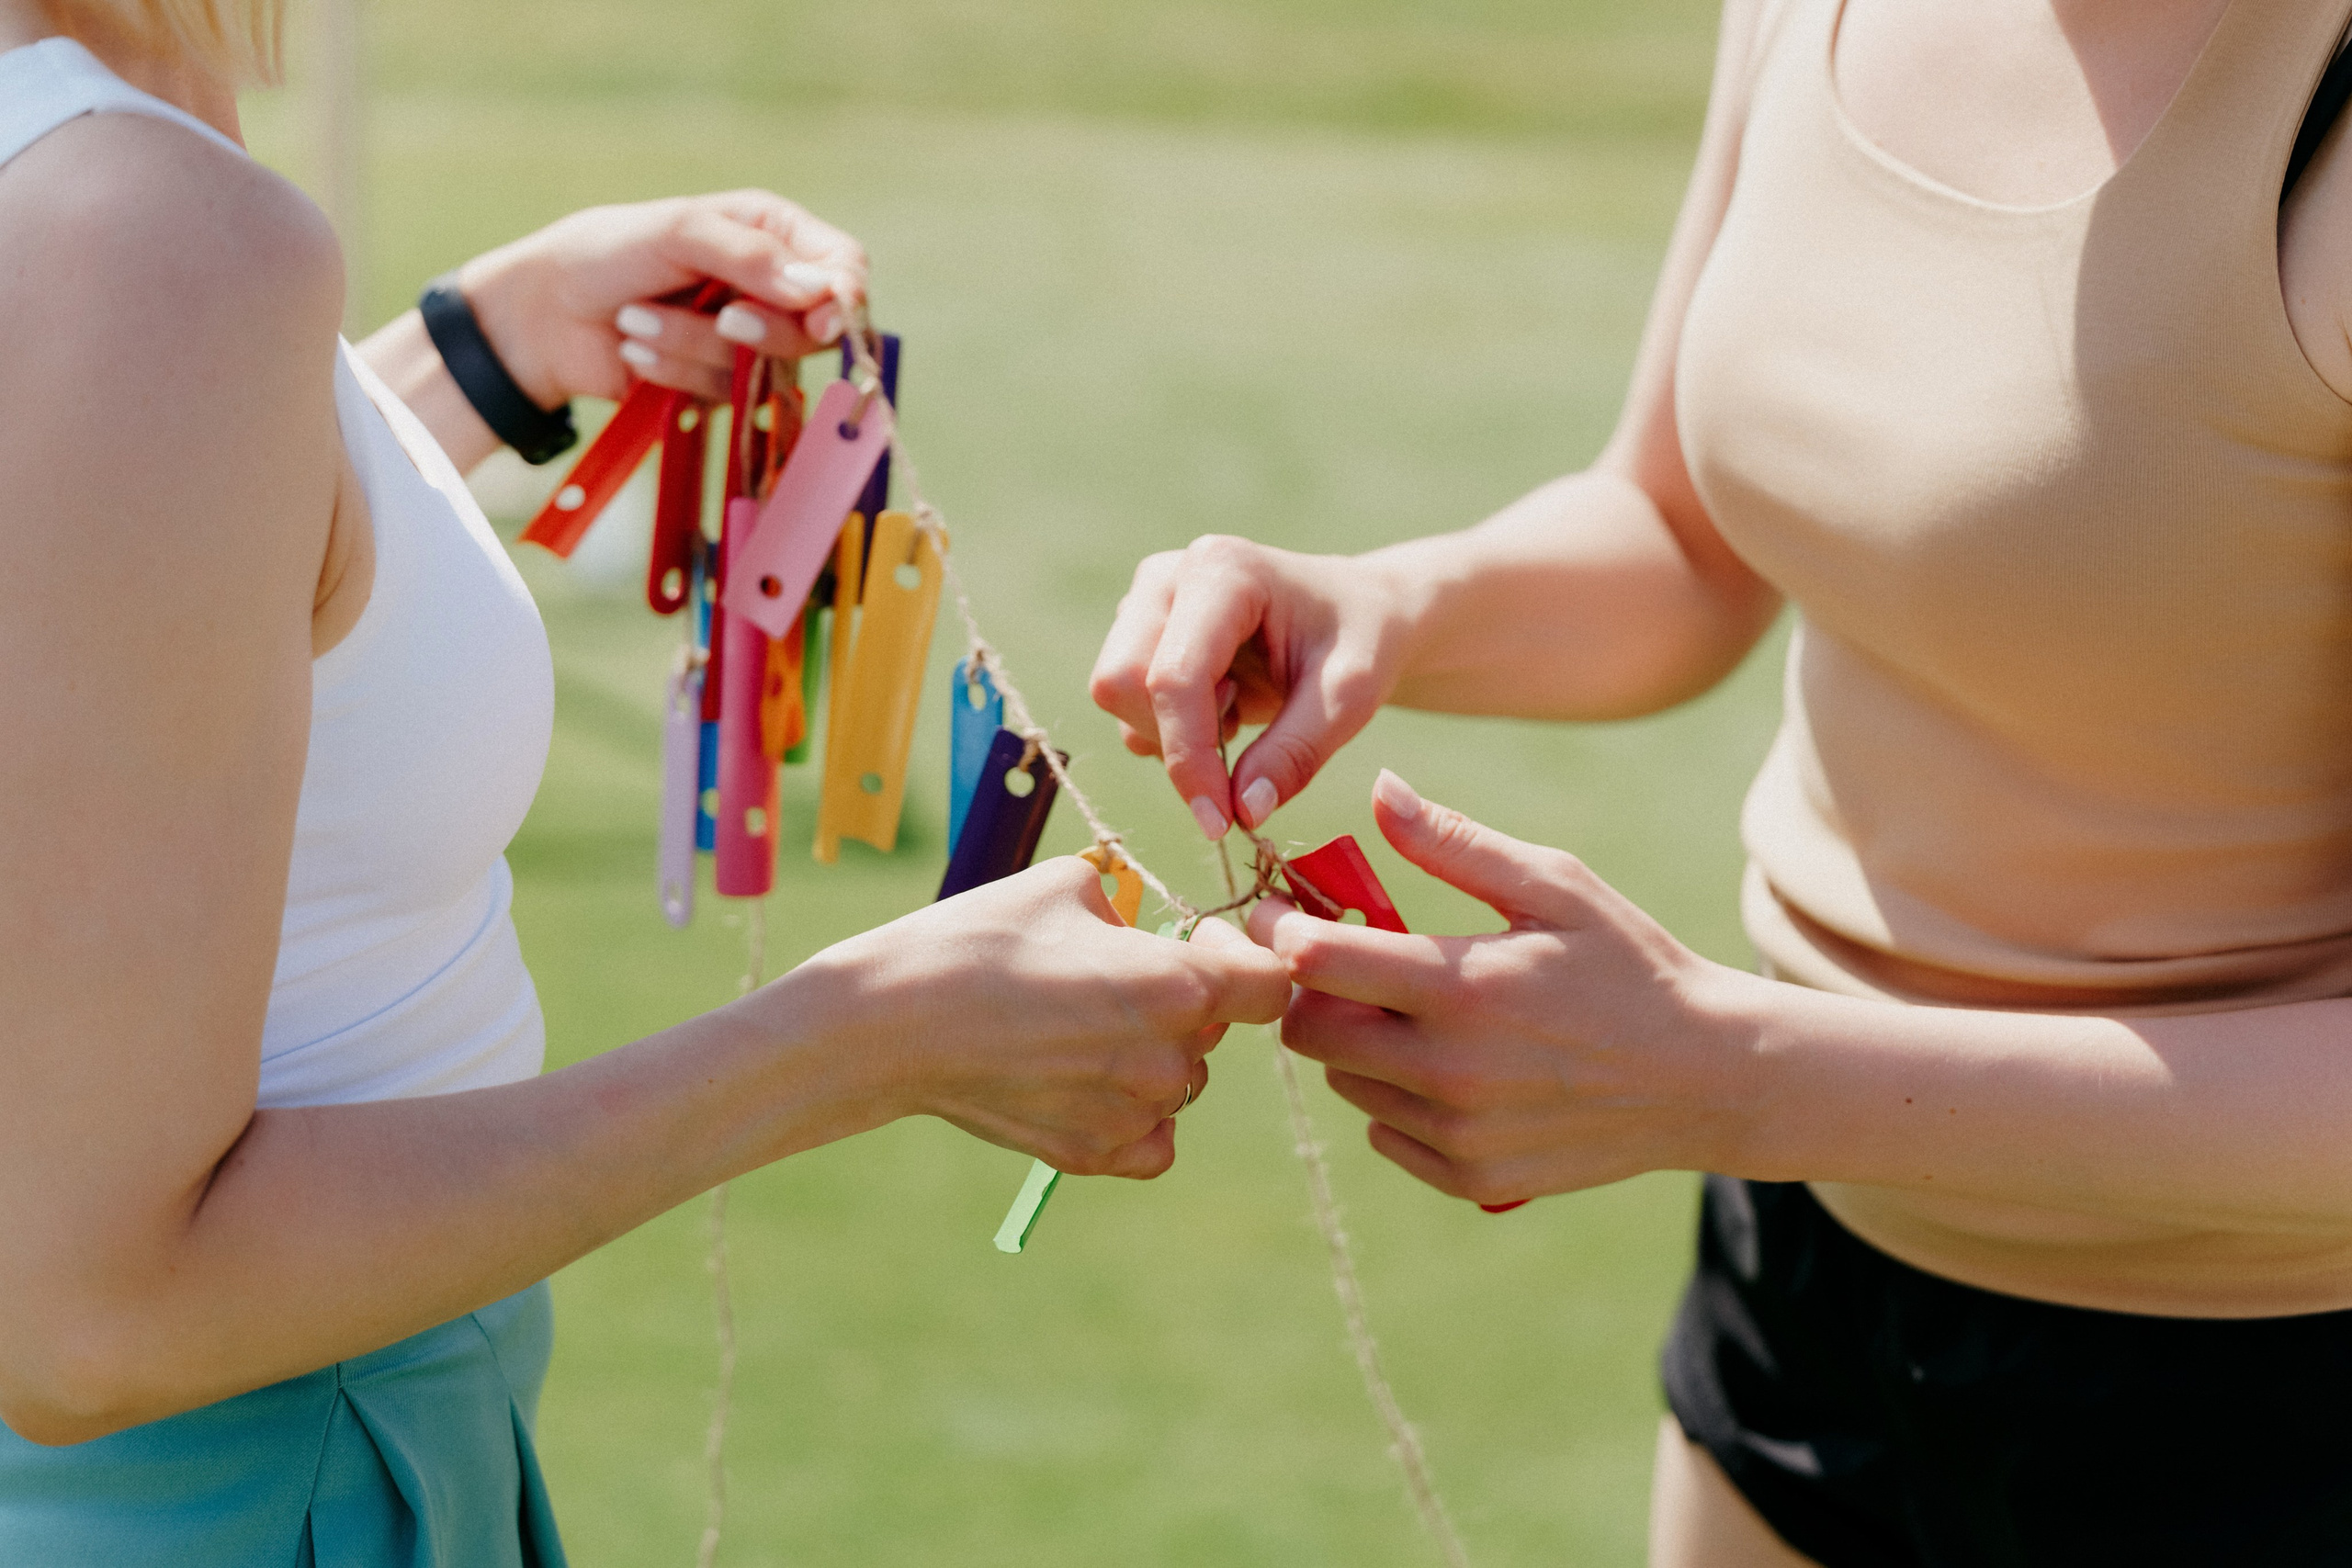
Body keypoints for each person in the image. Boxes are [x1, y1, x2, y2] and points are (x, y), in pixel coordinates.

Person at [0, 0, 1289, 1560]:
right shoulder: (136, 229)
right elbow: (89, 1316)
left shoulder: (98, 180)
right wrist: (864, 1041)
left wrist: (467, 359)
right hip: (233, 1488)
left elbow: (105, 613)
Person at [1092, 1, 2352, 1562]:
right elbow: (1680, 540)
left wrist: (1731, 1075)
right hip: (1812, 1276)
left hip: (2282, 1409)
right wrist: (1387, 603)